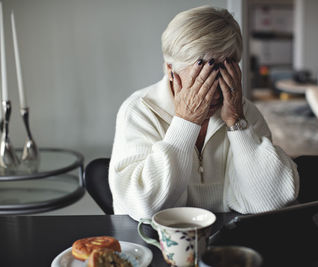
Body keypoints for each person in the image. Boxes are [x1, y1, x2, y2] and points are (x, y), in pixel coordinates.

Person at [109, 6, 299, 221]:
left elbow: (270, 201)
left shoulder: (244, 111)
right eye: (203, 74)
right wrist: (186, 122)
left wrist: (237, 124)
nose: (213, 90)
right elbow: (143, 207)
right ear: (171, 70)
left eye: (225, 70)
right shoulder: (139, 111)